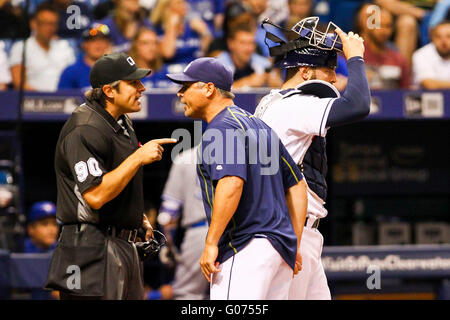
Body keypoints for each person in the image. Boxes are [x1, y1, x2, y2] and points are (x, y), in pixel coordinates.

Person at [166, 57, 308, 300]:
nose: (180, 94)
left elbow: (231, 182)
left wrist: (210, 243)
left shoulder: (221, 127)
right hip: (278, 250)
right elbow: (297, 186)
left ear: (208, 88)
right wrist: (293, 242)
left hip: (245, 248)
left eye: (185, 87)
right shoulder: (258, 125)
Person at [254, 16, 370, 299]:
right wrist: (354, 58)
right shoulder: (295, 105)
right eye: (328, 68)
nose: (334, 77)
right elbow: (358, 104)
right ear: (305, 72)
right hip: (291, 229)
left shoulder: (271, 100)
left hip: (292, 228)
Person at [45, 52, 177, 300]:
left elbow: (116, 176)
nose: (142, 88)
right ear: (109, 90)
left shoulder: (123, 122)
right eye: (134, 83)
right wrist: (138, 157)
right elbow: (95, 195)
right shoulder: (84, 127)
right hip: (90, 250)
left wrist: (135, 217)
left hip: (122, 245)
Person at [157, 146, 209, 300]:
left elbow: (169, 212)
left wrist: (166, 246)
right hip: (235, 234)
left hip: (199, 235)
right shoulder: (241, 155)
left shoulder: (186, 158)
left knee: (187, 294)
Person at [8, 2, 75, 91]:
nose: (49, 28)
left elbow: (73, 79)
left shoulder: (64, 47)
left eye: (53, 24)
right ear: (33, 23)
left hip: (64, 99)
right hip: (32, 100)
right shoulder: (21, 47)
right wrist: (43, 98)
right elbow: (19, 83)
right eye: (44, 23)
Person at [356, 3, 411, 89]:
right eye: (379, 25)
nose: (384, 31)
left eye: (388, 26)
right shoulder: (353, 52)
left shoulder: (399, 59)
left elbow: (406, 92)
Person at [216, 24, 281, 89]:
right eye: (243, 43)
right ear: (230, 43)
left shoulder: (264, 64)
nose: (248, 49)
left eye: (251, 43)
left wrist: (274, 83)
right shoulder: (218, 66)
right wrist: (246, 82)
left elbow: (279, 85)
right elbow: (216, 92)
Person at [58, 23, 112, 91]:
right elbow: (62, 99)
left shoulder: (116, 71)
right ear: (84, 45)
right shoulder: (71, 72)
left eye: (102, 41)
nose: (98, 44)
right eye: (93, 41)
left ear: (109, 44)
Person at [412, 20, 450, 89]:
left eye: (448, 36)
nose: (444, 41)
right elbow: (429, 84)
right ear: (432, 38)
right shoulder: (421, 54)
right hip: (429, 98)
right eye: (438, 36)